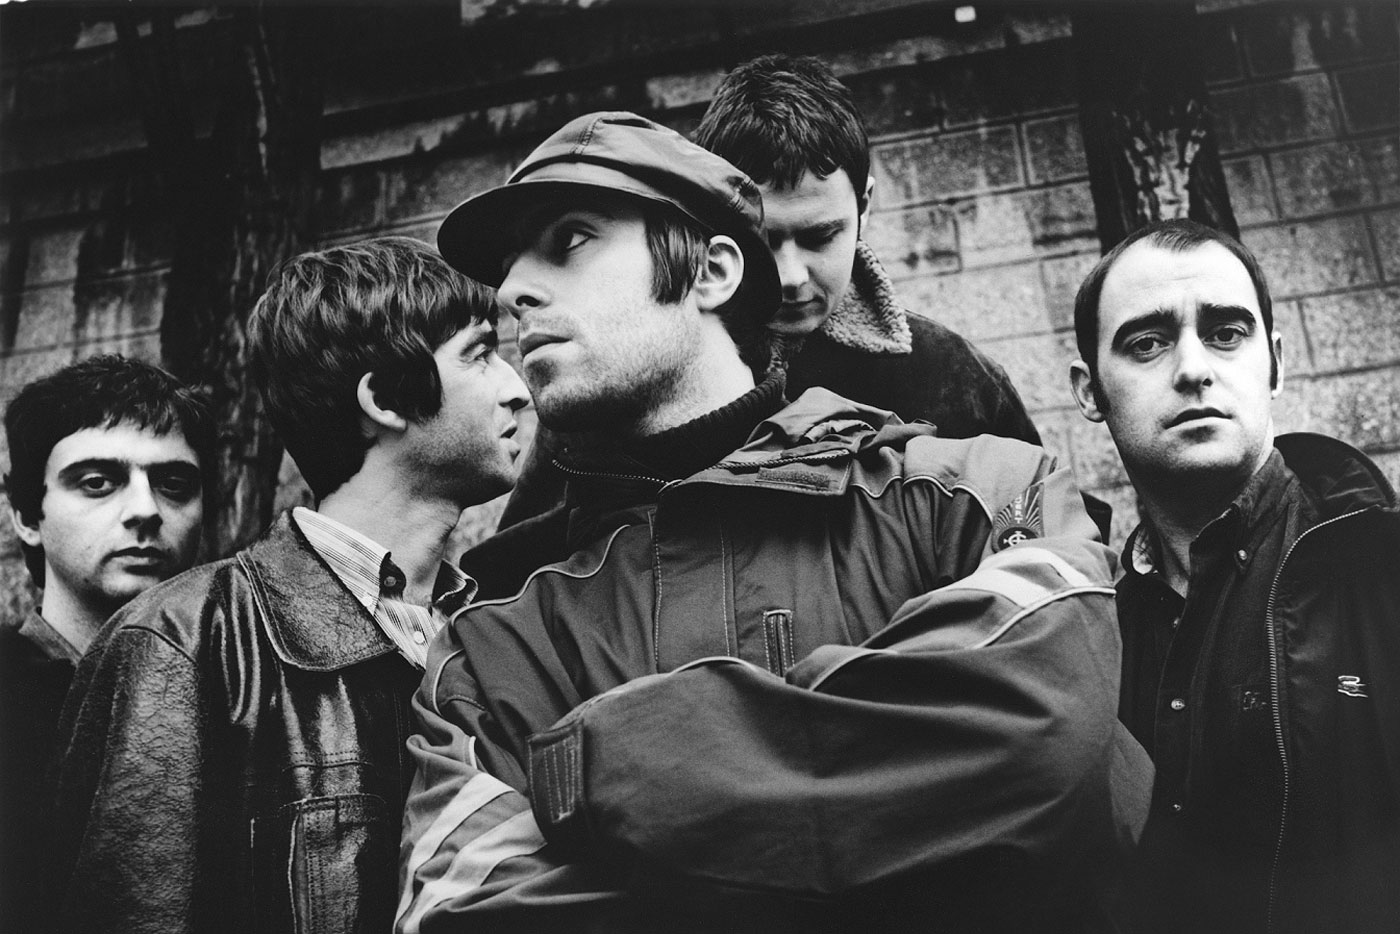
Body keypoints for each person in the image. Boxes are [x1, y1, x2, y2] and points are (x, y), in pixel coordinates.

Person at [396, 111, 1150, 934]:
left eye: (569, 240)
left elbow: (1044, 739)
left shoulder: (987, 495)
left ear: (713, 271)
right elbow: (461, 911)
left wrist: (598, 765)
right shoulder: (491, 650)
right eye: (510, 264)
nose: (511, 290)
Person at [44, 237, 529, 934]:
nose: (517, 388)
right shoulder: (184, 641)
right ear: (384, 399)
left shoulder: (499, 628)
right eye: (480, 354)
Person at [485, 52, 1041, 568]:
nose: (792, 275)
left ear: (865, 206)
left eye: (820, 236)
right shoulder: (620, 384)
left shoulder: (952, 376)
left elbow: (1039, 551)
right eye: (768, 240)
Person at [1068, 218, 1400, 934]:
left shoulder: (1381, 578)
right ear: (1089, 391)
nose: (1193, 368)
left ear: (1274, 363)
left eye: (1225, 333)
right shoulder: (1084, 636)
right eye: (1147, 342)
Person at [0, 354, 212, 932]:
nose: (145, 510)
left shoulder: (239, 698)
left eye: (174, 485)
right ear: (27, 515)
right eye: (97, 483)